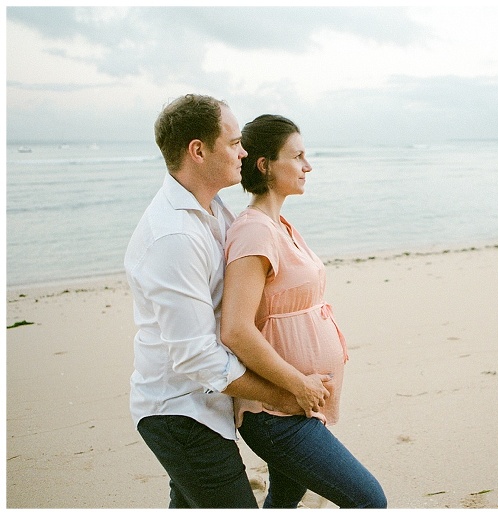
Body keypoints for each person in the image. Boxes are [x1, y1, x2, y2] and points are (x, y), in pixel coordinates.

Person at [124, 95, 315, 508]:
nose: (244, 152)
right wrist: (281, 392)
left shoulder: (215, 210)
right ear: (198, 150)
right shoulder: (173, 237)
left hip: (208, 404)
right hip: (180, 410)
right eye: (233, 143)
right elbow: (196, 358)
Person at [220, 114, 387, 509]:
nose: (307, 166)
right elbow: (236, 330)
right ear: (264, 165)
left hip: (298, 404)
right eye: (297, 157)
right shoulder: (254, 231)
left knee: (283, 500)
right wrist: (298, 384)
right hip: (275, 411)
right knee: (368, 500)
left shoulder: (281, 225)